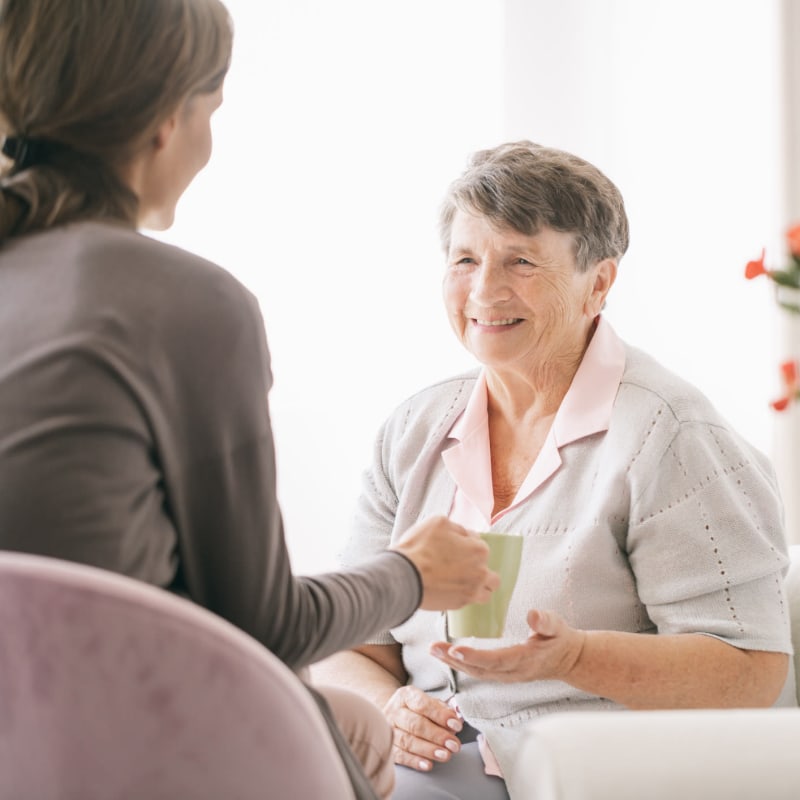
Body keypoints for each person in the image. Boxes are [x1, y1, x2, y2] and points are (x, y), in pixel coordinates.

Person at [0, 2, 498, 798]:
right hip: (116, 751)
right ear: (169, 120)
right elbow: (263, 628)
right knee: (353, 728)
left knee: (355, 720)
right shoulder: (187, 303)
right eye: (213, 111)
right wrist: (411, 573)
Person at [316, 141, 794, 800]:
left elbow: (751, 670)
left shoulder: (672, 435)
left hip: (584, 771)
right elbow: (351, 645)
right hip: (433, 764)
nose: (485, 290)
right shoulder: (412, 431)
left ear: (598, 283)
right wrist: (389, 709)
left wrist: (575, 658)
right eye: (465, 259)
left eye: (520, 261)